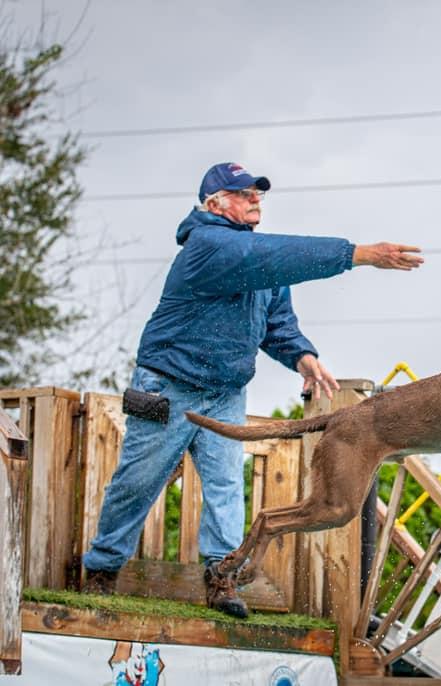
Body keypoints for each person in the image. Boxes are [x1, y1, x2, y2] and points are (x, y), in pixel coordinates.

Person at [82, 162, 423, 618]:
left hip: (224, 391)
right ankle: (101, 570)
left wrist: (301, 355)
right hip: (169, 385)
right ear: (214, 204)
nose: (256, 199)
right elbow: (273, 257)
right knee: (138, 482)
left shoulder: (260, 262)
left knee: (225, 488)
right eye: (244, 194)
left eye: (258, 193)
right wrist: (357, 254)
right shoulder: (207, 246)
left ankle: (221, 579)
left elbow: (276, 323)